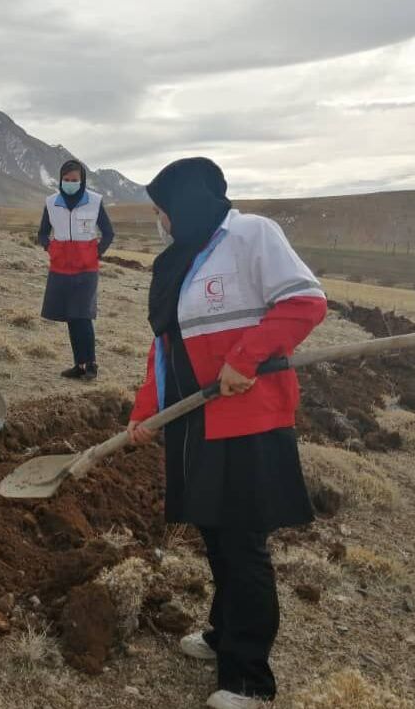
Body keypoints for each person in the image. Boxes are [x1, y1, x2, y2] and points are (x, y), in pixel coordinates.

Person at [126, 158, 326, 709]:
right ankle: (223, 634)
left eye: (162, 209)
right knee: (215, 535)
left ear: (185, 205)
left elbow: (305, 303)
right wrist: (146, 411)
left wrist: (245, 357)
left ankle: (250, 681)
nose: (159, 220)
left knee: (242, 545)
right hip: (193, 420)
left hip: (247, 419)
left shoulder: (252, 235)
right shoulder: (177, 262)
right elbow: (164, 348)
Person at [38, 159, 115, 381]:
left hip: (86, 270)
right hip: (60, 268)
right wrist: (50, 247)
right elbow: (43, 232)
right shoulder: (52, 202)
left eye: (75, 180)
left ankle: (91, 365)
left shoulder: (95, 201)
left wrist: (96, 252)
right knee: (71, 316)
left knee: (82, 315)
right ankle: (78, 365)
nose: (70, 183)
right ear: (61, 180)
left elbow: (108, 233)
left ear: (82, 181)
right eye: (67, 180)